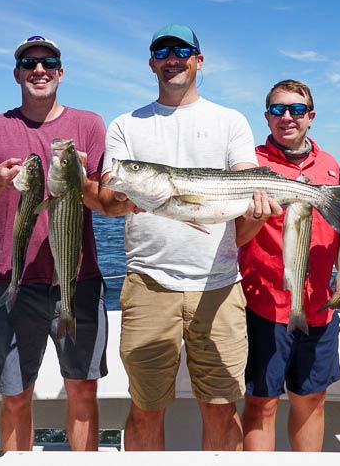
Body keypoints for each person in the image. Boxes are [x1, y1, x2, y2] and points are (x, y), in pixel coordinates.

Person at [101, 23, 279, 451]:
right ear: (151, 63)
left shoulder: (229, 120)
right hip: (147, 284)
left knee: (221, 406)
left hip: (219, 286)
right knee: (145, 406)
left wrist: (259, 206)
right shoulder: (126, 125)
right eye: (162, 51)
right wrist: (126, 199)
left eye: (182, 50)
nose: (172, 58)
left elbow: (243, 192)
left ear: (199, 60)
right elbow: (109, 193)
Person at [0, 35, 110, 452]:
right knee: (14, 395)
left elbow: (104, 204)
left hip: (77, 280)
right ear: (17, 74)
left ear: (61, 73)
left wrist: (79, 181)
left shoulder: (89, 124)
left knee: (82, 390)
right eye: (29, 63)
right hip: (11, 280)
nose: (39, 70)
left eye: (48, 62)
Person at [236, 79, 340, 451]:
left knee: (312, 400)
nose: (287, 117)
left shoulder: (331, 165)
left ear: (310, 117)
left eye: (297, 110)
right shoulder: (250, 164)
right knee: (261, 404)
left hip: (320, 306)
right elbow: (237, 235)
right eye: (278, 109)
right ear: (266, 117)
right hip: (265, 305)